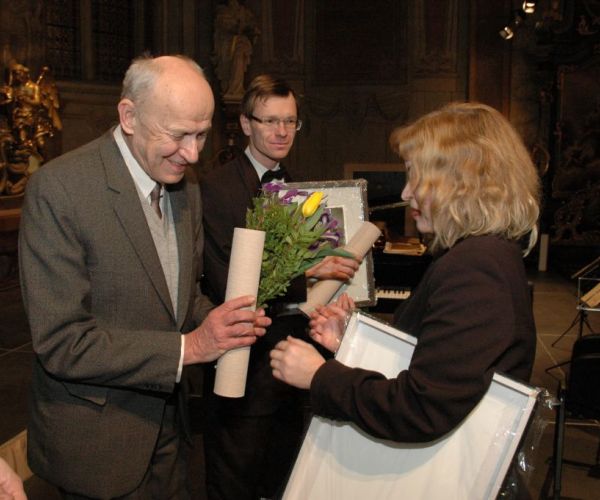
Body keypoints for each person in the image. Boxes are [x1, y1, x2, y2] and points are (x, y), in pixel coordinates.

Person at [18, 54, 270, 499]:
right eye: (178, 135)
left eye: (202, 134)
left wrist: (223, 322)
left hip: (172, 435)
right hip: (98, 448)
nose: (193, 154)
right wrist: (192, 347)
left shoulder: (186, 187)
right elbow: (61, 342)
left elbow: (181, 298)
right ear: (129, 116)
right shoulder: (60, 189)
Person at [270, 102, 540, 446]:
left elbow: (421, 408)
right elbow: (433, 359)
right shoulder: (481, 254)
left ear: (461, 182)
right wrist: (351, 339)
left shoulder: (477, 267)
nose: (405, 192)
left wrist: (318, 376)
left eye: (416, 176)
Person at [201, 74, 360, 500]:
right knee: (234, 480)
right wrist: (309, 272)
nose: (282, 131)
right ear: (246, 124)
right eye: (270, 121)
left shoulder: (302, 186)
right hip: (242, 362)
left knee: (284, 476)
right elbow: (226, 281)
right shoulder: (216, 188)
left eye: (290, 121)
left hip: (293, 361)